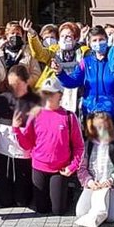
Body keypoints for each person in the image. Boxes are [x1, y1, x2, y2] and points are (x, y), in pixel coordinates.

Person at [14, 76, 84, 215]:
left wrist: (72, 166)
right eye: (45, 93)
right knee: (41, 209)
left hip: (60, 169)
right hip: (39, 167)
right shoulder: (35, 114)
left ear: (60, 95)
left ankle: (67, 193)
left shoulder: (69, 116)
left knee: (58, 211)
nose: (48, 97)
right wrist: (16, 129)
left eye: (51, 93)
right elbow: (27, 144)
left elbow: (79, 146)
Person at [0, 64, 37, 208]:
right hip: (3, 148)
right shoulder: (2, 99)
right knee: (5, 200)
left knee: (22, 200)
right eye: (10, 85)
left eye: (17, 85)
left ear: (26, 81)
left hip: (24, 150)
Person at [54, 25, 114, 118]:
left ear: (107, 40)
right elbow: (73, 81)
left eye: (101, 39)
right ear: (90, 43)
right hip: (91, 113)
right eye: (94, 40)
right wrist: (60, 73)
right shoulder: (86, 62)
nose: (98, 43)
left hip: (113, 114)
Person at [74, 112, 114, 227]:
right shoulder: (88, 146)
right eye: (97, 127)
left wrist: (111, 180)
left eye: (104, 127)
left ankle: (112, 203)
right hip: (93, 185)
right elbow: (81, 168)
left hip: (109, 186)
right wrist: (89, 182)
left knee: (111, 218)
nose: (101, 131)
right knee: (81, 213)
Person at [27, 20, 87, 111]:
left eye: (68, 36)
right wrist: (32, 34)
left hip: (77, 94)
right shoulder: (53, 51)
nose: (64, 39)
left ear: (76, 38)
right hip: (54, 92)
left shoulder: (84, 52)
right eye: (62, 36)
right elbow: (39, 53)